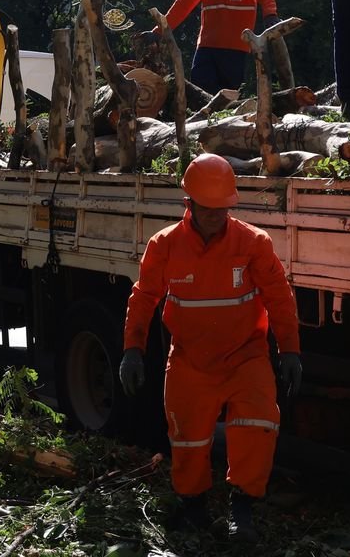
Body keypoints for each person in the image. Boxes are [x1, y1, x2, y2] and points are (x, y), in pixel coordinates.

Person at [118, 154, 302, 541]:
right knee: (187, 437)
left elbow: (279, 298)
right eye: (208, 208)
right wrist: (132, 349)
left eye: (223, 208)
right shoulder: (165, 245)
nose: (216, 215)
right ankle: (194, 507)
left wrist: (290, 351)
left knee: (258, 422)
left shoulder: (253, 243)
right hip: (190, 357)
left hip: (245, 354)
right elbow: (144, 296)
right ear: (190, 204)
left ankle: (243, 509)